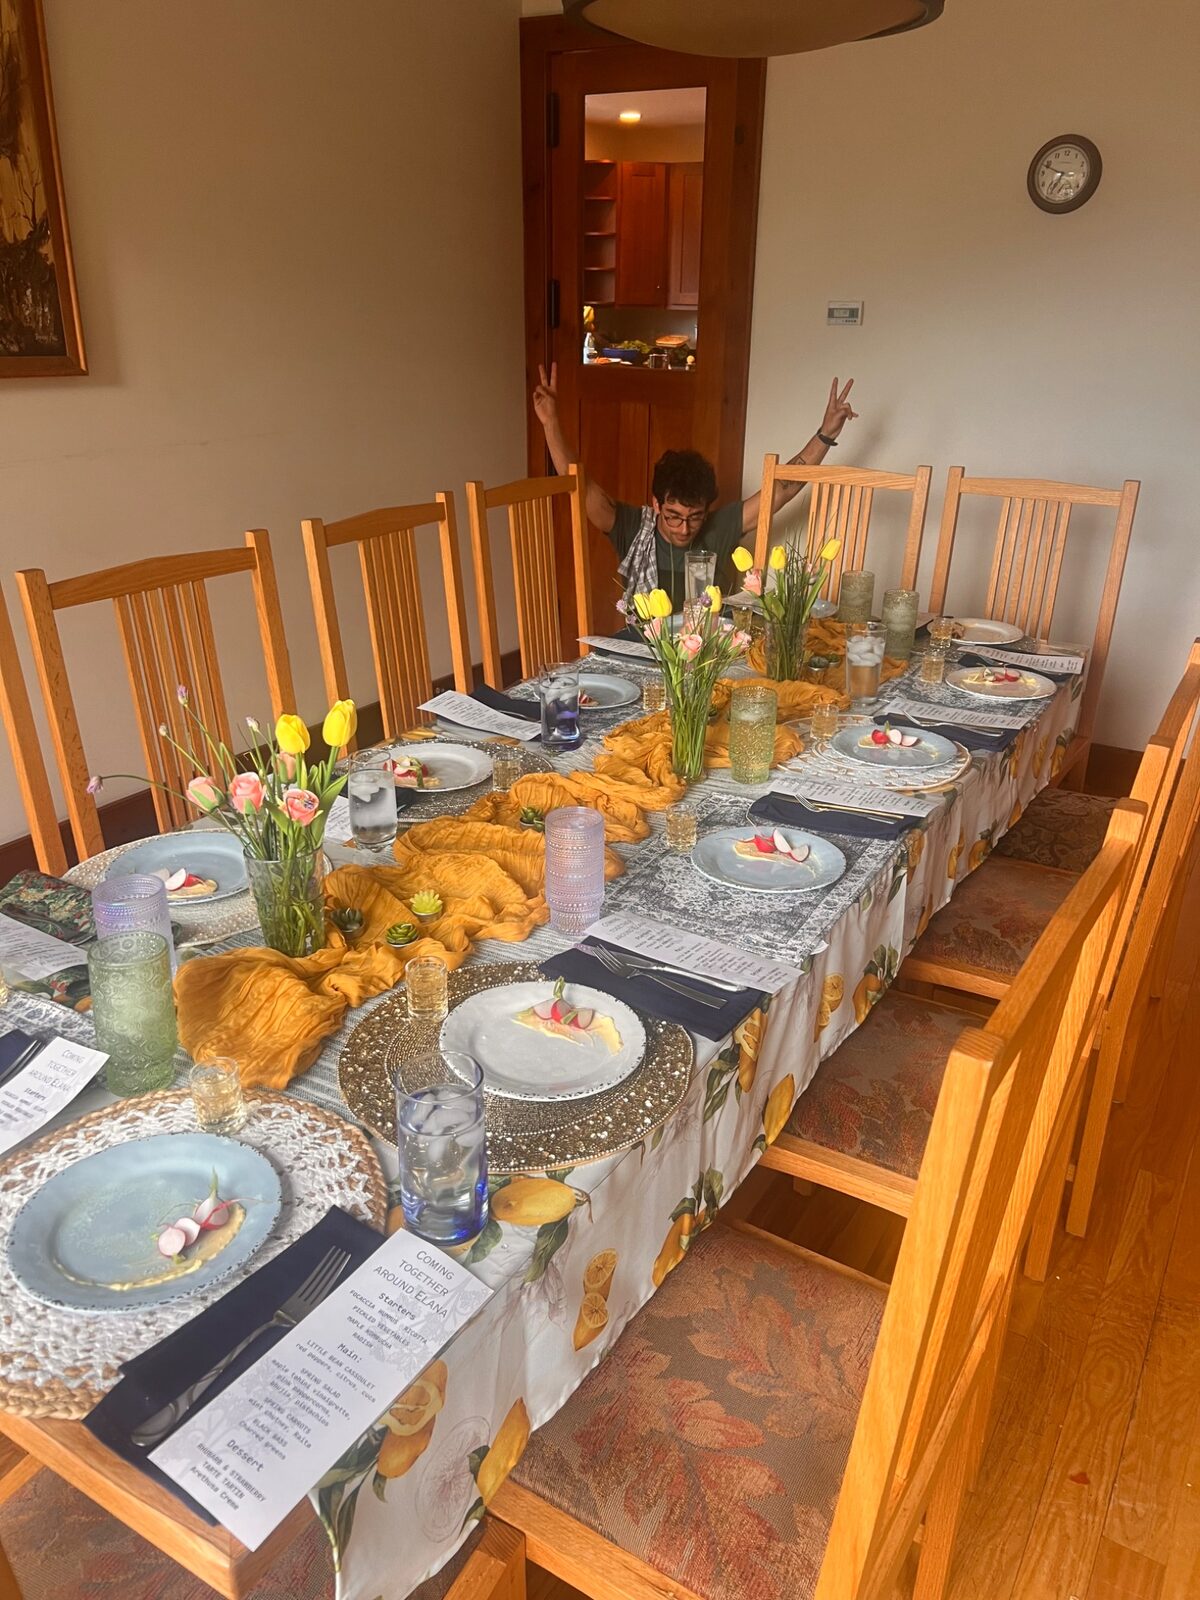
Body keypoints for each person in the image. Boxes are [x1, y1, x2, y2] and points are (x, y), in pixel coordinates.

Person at [532, 367, 859, 612]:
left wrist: (825, 435)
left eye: (695, 517)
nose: (684, 528)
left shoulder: (719, 527)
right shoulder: (631, 527)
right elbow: (578, 483)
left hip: (708, 650)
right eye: (673, 516)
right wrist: (550, 423)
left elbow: (783, 487)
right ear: (656, 505)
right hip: (646, 651)